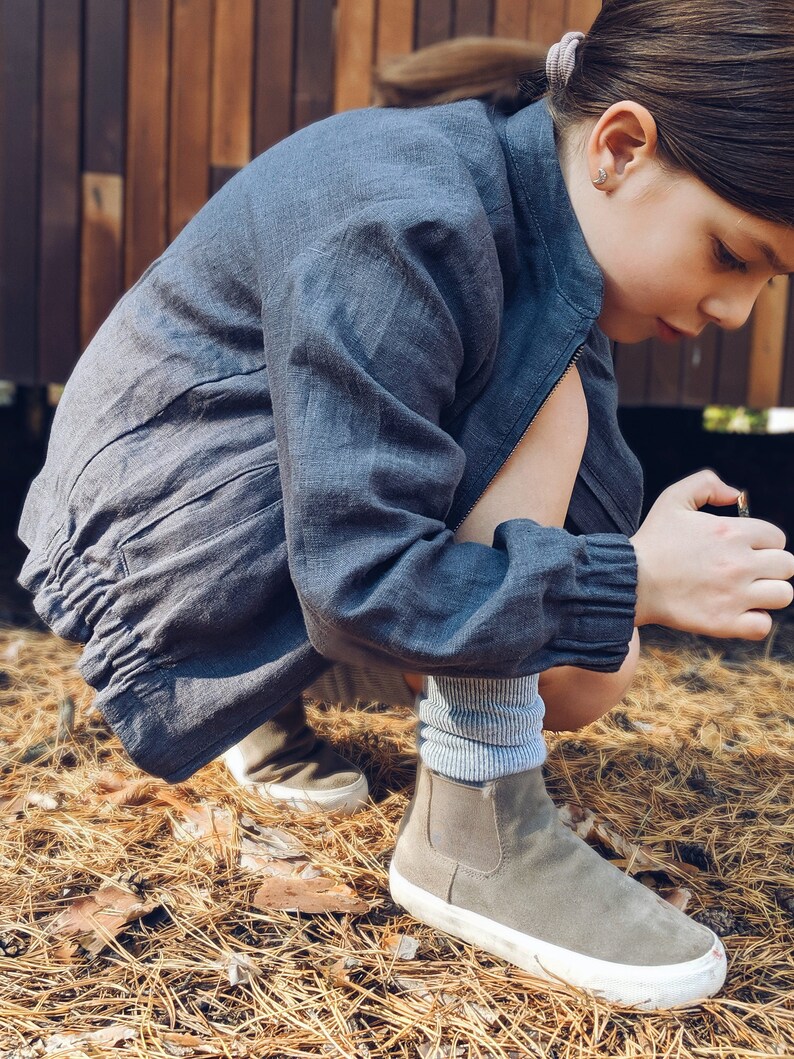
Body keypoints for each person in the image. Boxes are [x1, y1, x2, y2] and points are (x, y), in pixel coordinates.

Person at [18, 0, 794, 1010]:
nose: (730, 312)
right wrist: (638, 574)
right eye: (730, 255)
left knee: (589, 672)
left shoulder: (543, 251)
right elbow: (360, 579)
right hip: (151, 545)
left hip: (269, 518)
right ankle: (472, 838)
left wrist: (622, 576)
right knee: (544, 437)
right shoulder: (403, 215)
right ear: (617, 147)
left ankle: (260, 699)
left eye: (766, 282)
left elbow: (564, 610)